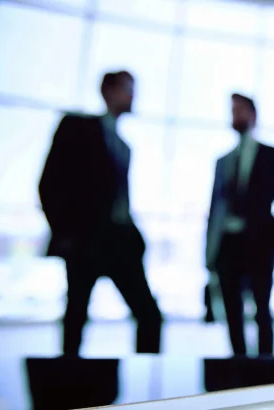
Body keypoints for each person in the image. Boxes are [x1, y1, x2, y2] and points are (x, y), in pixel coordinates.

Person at [38, 70, 163, 355]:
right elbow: (49, 183)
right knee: (76, 316)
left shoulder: (123, 144)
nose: (132, 96)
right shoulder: (77, 127)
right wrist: (66, 233)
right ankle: (65, 386)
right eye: (126, 88)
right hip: (86, 241)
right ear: (107, 91)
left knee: (149, 316)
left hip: (121, 241)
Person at [205, 93, 274, 356]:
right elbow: (214, 210)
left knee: (262, 308)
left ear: (253, 115)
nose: (235, 115)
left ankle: (266, 367)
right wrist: (210, 252)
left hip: (259, 245)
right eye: (232, 110)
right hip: (228, 245)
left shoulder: (272, 155)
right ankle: (238, 364)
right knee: (232, 309)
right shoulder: (223, 161)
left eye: (240, 110)